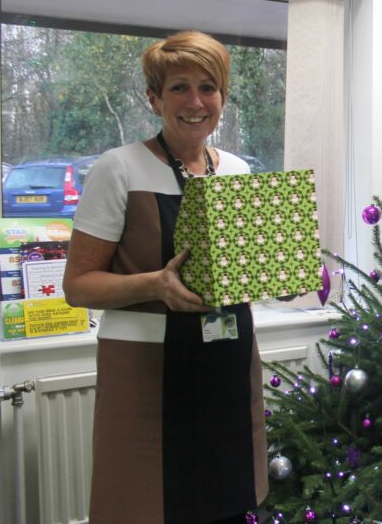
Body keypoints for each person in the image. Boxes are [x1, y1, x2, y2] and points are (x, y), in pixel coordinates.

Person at [63, 31, 267, 523]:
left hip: (228, 363)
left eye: (208, 87)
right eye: (178, 87)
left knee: (227, 500)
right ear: (154, 97)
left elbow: (242, 269)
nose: (195, 102)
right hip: (145, 371)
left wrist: (274, 273)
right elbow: (78, 285)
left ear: (223, 96)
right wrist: (154, 285)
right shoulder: (118, 169)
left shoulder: (238, 171)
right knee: (145, 504)